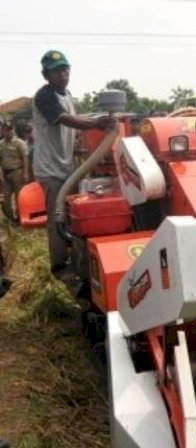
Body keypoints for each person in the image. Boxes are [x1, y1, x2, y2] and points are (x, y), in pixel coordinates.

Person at [32, 50, 116, 279]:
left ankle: (74, 256)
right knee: (57, 214)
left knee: (72, 213)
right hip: (50, 168)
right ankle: (58, 267)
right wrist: (96, 123)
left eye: (65, 69)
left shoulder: (67, 95)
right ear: (45, 74)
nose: (63, 74)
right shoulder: (44, 96)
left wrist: (82, 148)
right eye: (56, 71)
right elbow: (67, 120)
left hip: (66, 166)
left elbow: (71, 130)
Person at [0, 122, 29, 223]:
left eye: (10, 129)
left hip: (17, 172)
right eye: (6, 130)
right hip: (5, 174)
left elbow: (25, 159)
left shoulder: (19, 143)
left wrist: (25, 173)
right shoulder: (1, 144)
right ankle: (10, 218)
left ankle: (21, 217)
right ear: (2, 131)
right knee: (5, 199)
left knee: (19, 197)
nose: (9, 132)